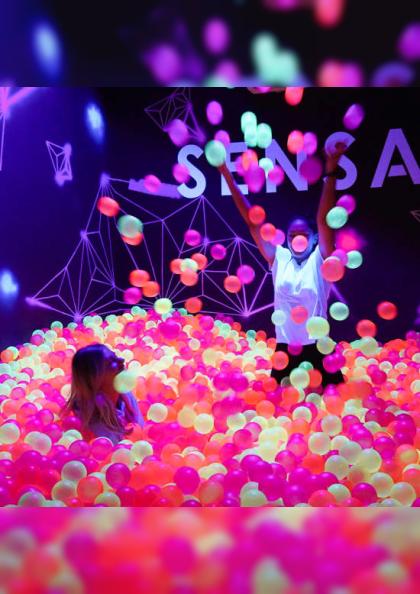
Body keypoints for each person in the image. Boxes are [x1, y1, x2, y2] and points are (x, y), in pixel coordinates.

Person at [219, 143, 347, 386]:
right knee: (280, 405)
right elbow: (252, 222)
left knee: (333, 404)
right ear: (286, 239)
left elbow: (324, 221)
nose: (298, 239)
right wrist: (226, 174)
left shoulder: (320, 260)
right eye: (292, 235)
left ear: (314, 238)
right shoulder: (280, 258)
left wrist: (331, 172)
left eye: (304, 234)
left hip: (319, 349)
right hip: (286, 350)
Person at [62, 343, 144, 444]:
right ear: (95, 379)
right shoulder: (91, 426)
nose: (121, 360)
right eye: (110, 363)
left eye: (115, 357)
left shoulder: (125, 394)